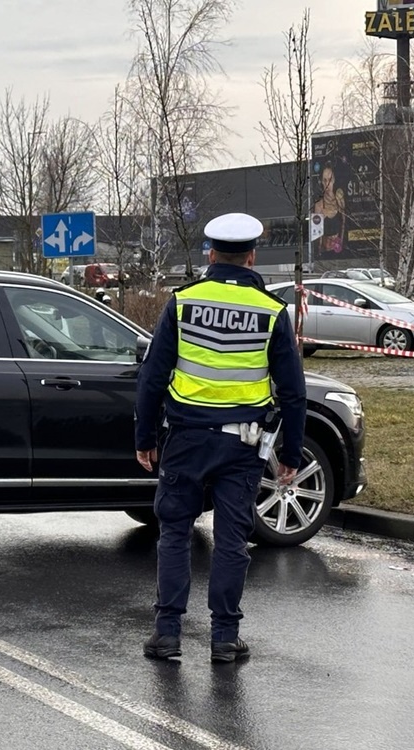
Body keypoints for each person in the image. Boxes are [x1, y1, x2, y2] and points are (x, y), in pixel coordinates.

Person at [134, 212, 306, 664]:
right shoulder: (272, 311)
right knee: (231, 540)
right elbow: (292, 392)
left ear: (210, 253)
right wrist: (290, 453)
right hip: (242, 446)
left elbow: (153, 378)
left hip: (185, 440)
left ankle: (167, 634)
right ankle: (224, 639)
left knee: (174, 533)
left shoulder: (183, 302)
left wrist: (144, 436)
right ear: (252, 255)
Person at [313, 166, 345, 255]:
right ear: (322, 182)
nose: (327, 184)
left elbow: (343, 224)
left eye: (330, 180)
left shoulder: (339, 201)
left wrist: (341, 244)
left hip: (337, 250)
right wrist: (318, 250)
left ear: (334, 180)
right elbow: (316, 232)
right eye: (325, 180)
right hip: (325, 252)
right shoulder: (318, 205)